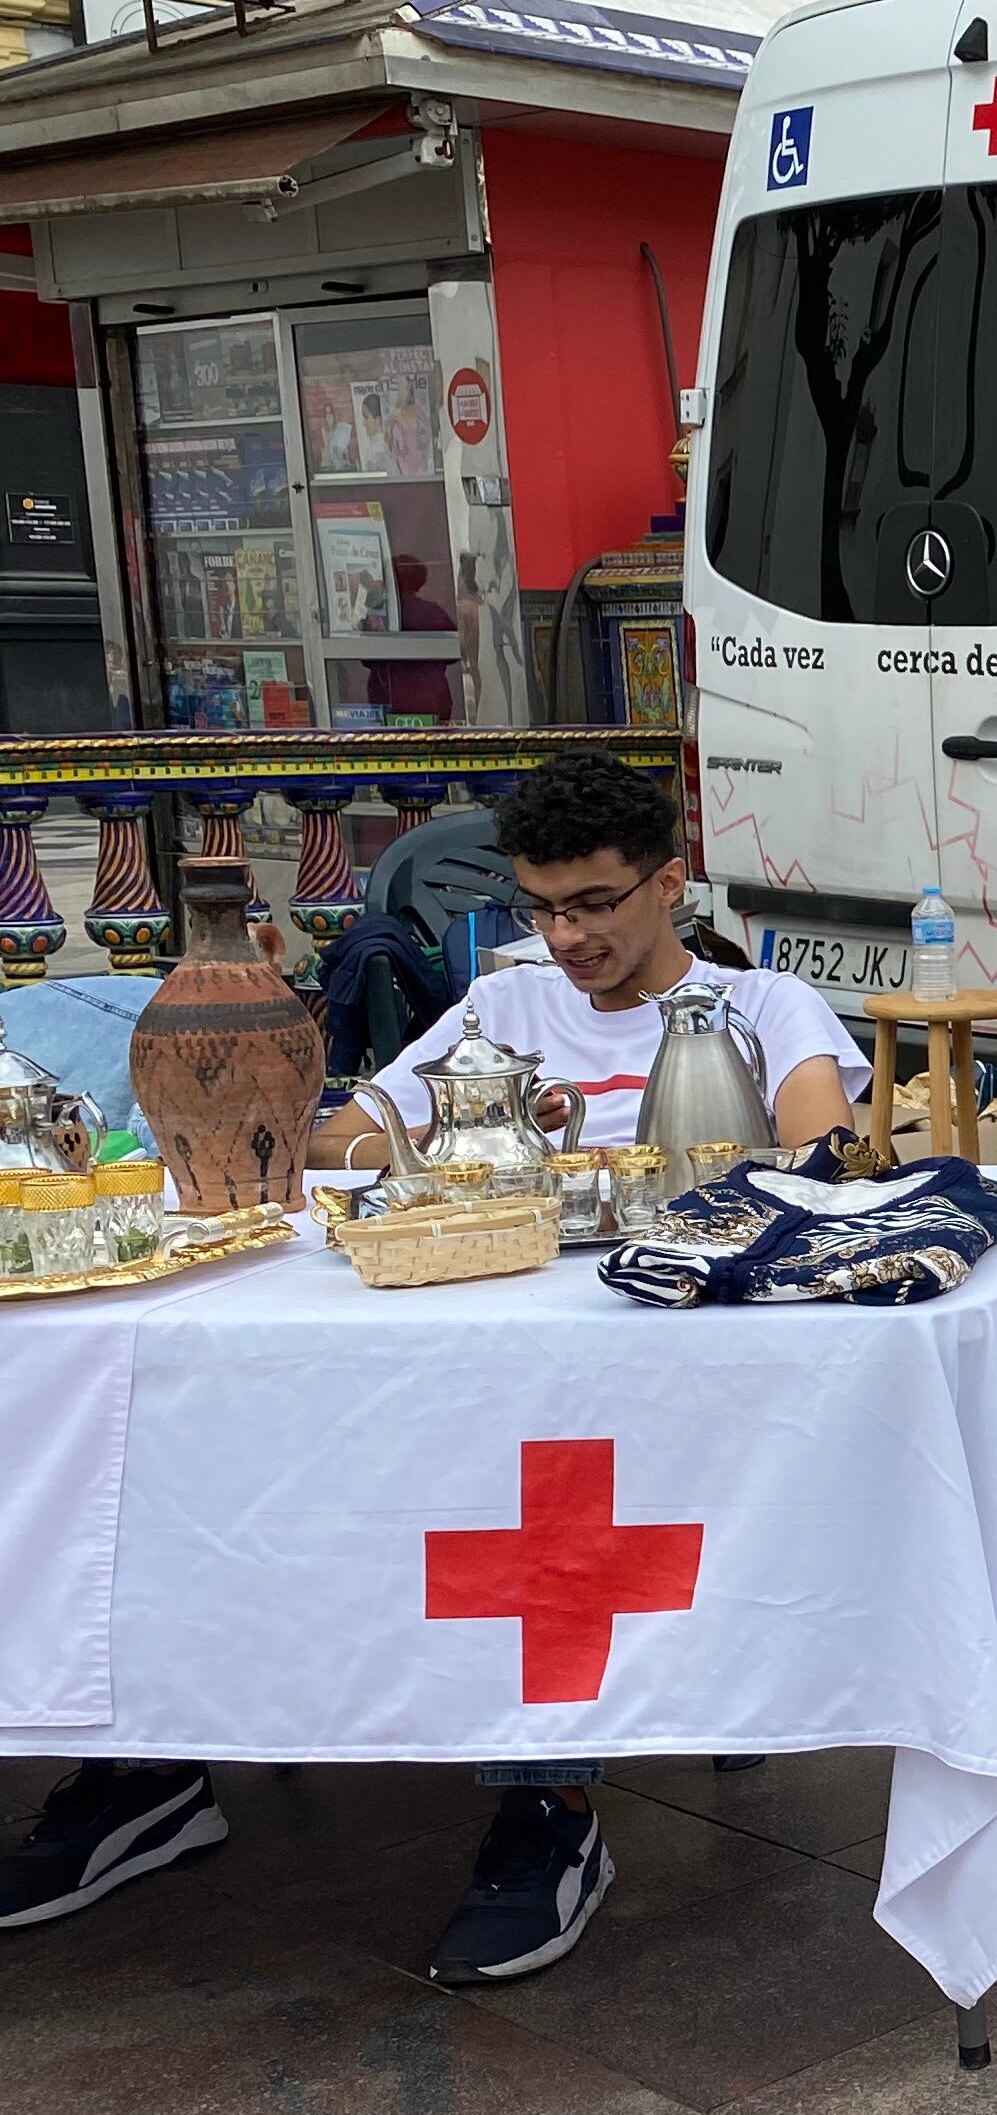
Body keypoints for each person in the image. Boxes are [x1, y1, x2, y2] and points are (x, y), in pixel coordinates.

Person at [4, 754, 871, 1979]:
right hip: (472, 1306)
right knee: (192, 1415)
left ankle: (550, 1806)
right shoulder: (502, 1009)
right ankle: (146, 1761)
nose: (564, 936)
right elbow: (362, 1135)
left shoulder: (762, 1009)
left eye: (595, 905)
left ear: (669, 885)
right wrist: (253, 1103)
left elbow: (817, 1151)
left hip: (654, 1350)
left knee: (522, 1494)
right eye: (542, 908)